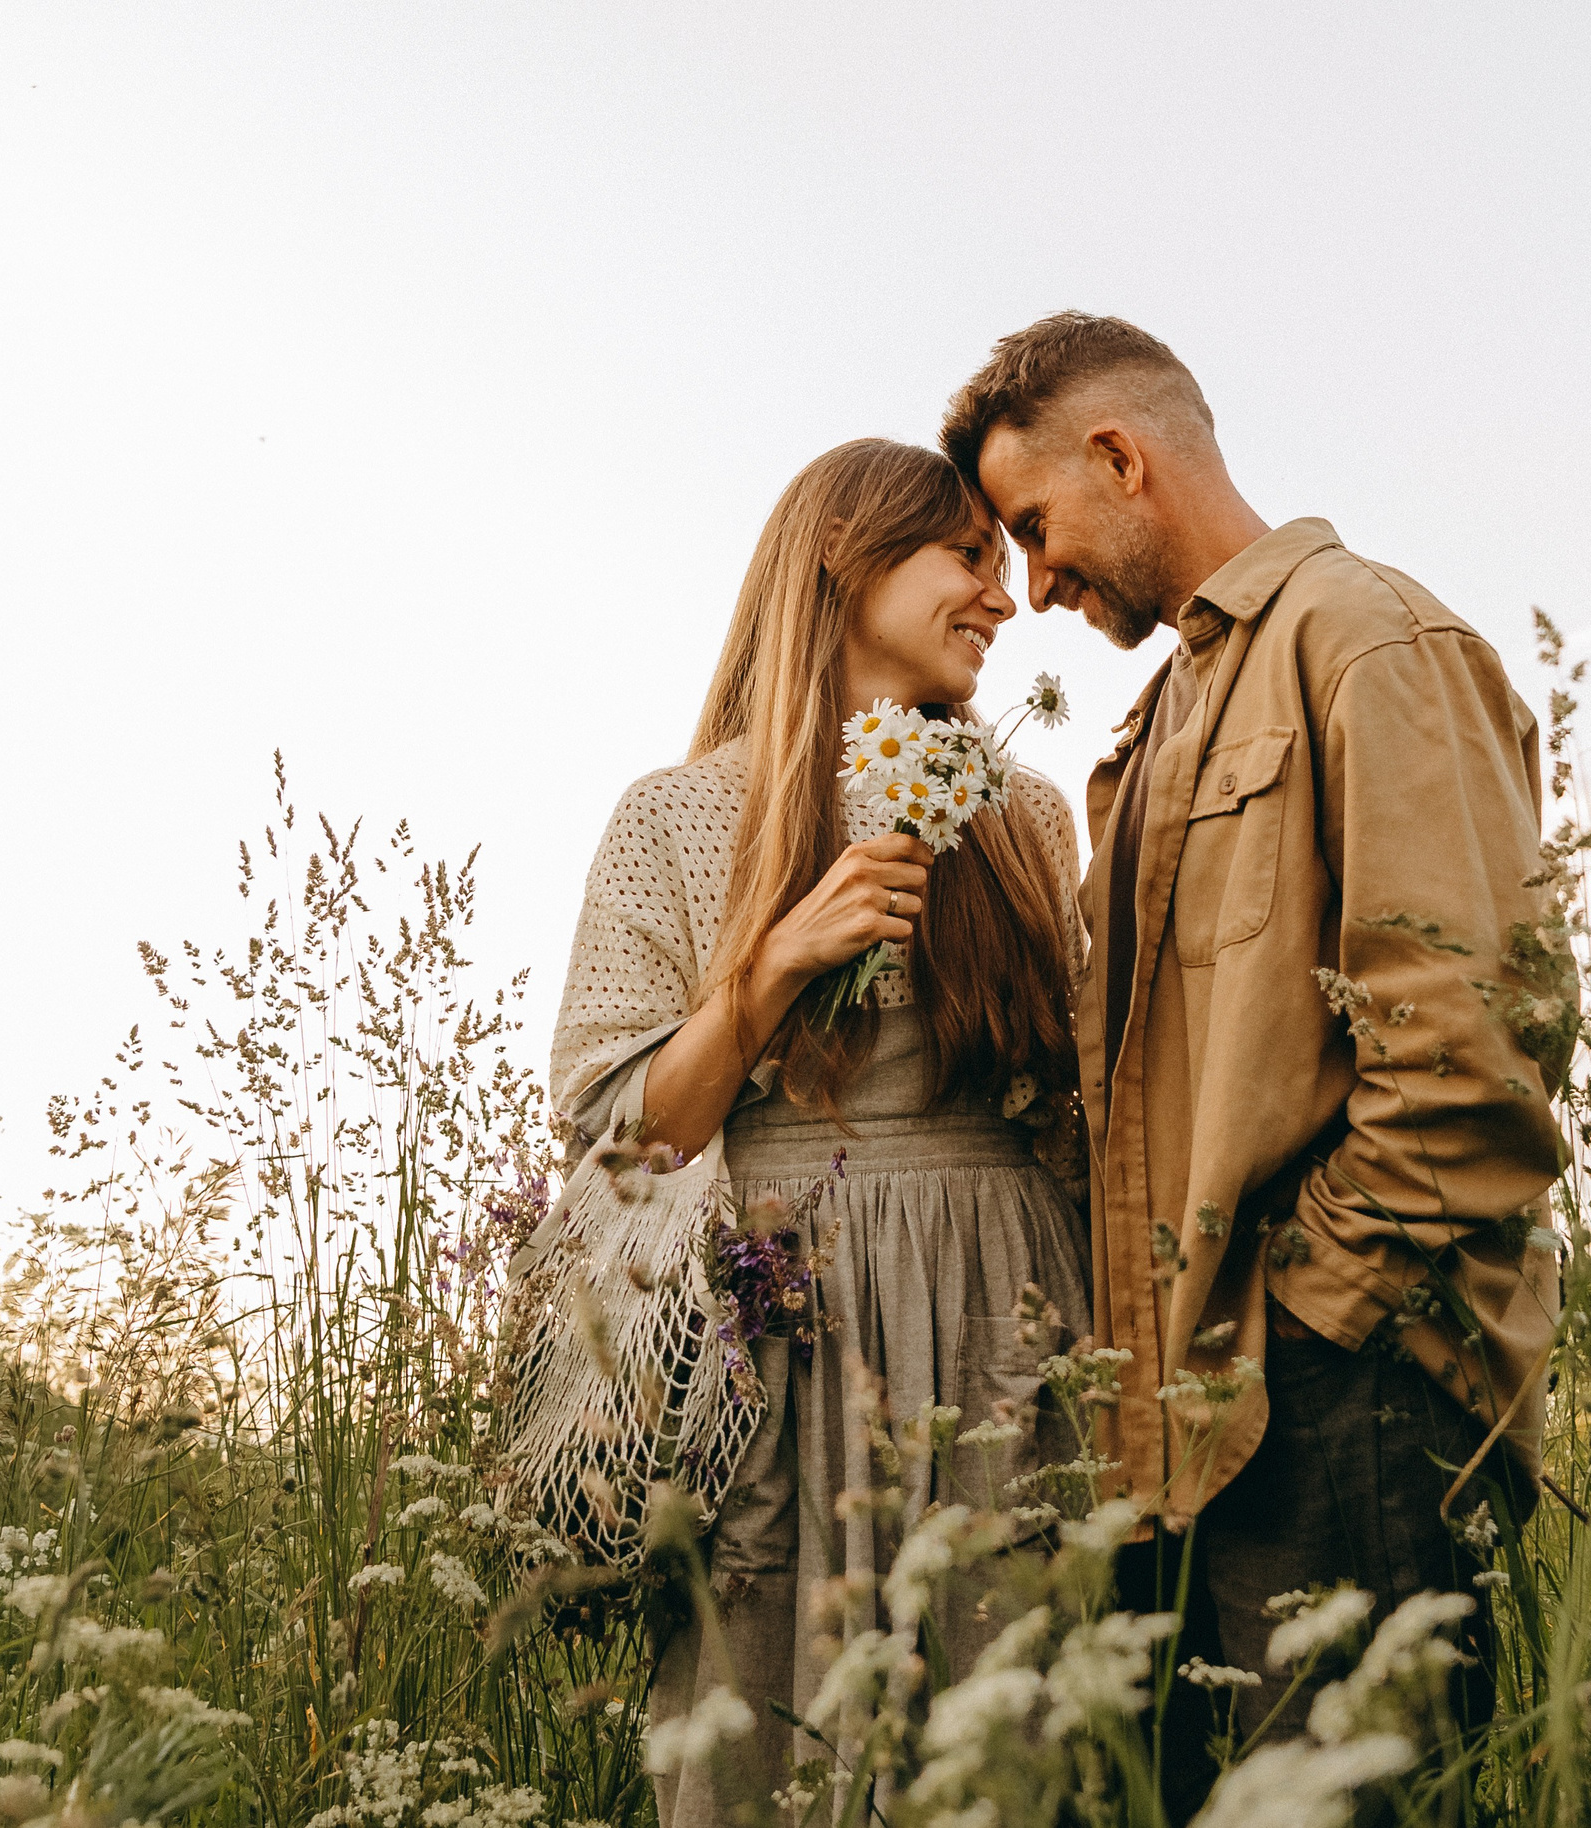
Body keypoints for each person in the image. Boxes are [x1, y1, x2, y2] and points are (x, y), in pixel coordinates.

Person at [941, 315, 1576, 1769]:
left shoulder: (1366, 639)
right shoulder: (1167, 713)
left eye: (1036, 529)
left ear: (1121, 456)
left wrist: (1316, 1309)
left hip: (1343, 1395)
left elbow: (1480, 1034)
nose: (1033, 587)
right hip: (1188, 1426)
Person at [545, 437, 1092, 1827]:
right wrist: (772, 967)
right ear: (849, 563)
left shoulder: (1024, 813)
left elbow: (1079, 1115)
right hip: (777, 1323)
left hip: (1003, 1315)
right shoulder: (675, 816)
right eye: (968, 556)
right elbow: (625, 1141)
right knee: (759, 1741)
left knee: (1011, 1729)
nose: (1002, 595)